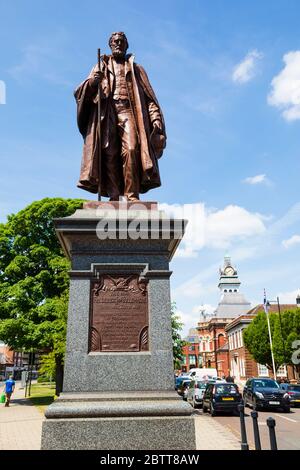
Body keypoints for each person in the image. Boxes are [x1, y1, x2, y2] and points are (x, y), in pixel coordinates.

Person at [74, 32, 167, 201]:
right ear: (110, 45)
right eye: (115, 41)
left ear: (126, 45)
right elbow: (80, 92)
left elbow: (149, 99)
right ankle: (114, 196)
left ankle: (132, 195)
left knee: (131, 149)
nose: (118, 43)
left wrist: (156, 119)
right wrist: (93, 82)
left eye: (121, 41)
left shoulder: (136, 69)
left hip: (129, 112)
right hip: (107, 111)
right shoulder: (100, 66)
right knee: (109, 152)